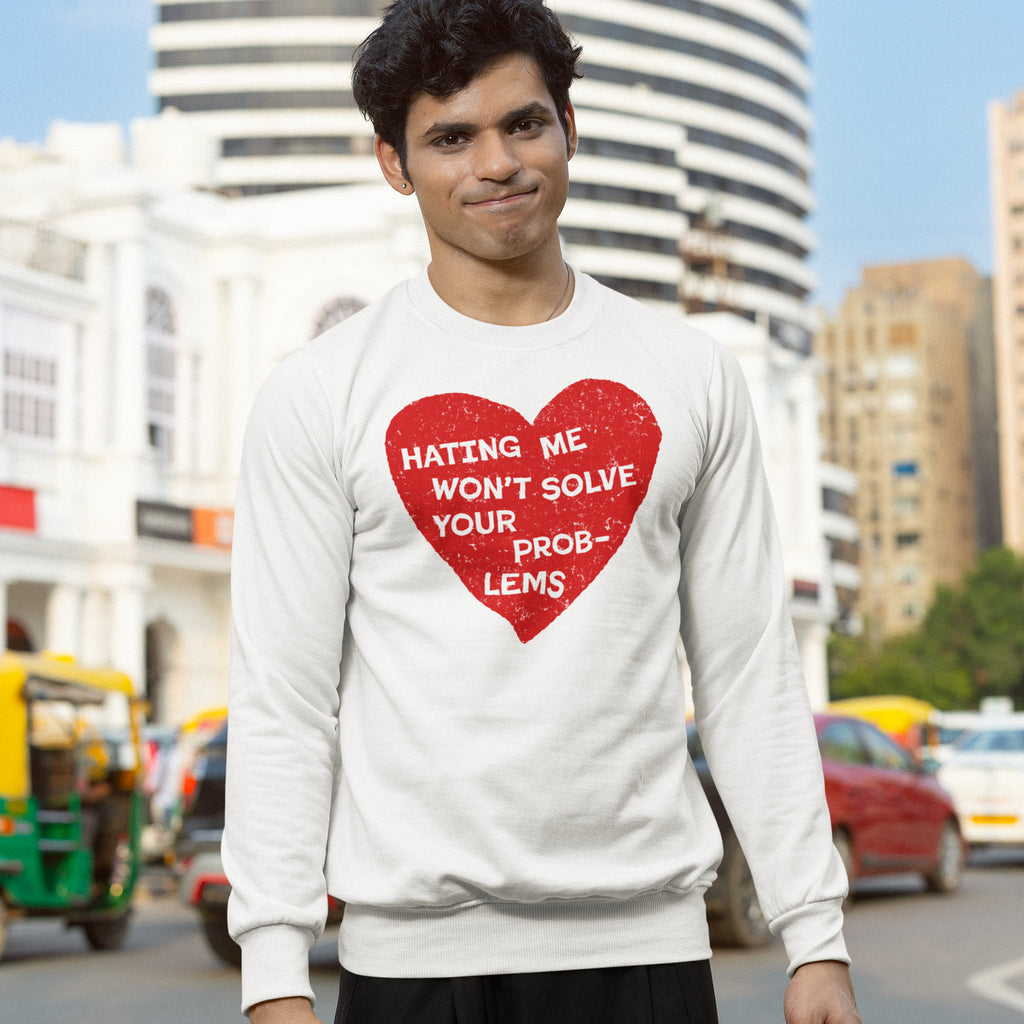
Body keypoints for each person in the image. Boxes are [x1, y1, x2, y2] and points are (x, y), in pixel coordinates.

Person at [222, 2, 861, 1023]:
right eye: (449, 136)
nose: (496, 163)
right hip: (411, 966)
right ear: (394, 162)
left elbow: (746, 669)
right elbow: (285, 696)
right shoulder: (320, 392)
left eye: (523, 123)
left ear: (571, 126)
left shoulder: (687, 375)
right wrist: (272, 975)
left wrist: (812, 936)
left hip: (645, 947)